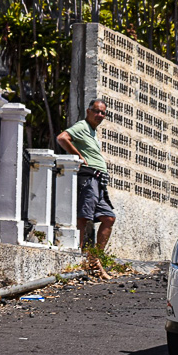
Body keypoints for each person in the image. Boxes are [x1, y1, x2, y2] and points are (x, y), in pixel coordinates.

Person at [56, 99, 115, 279]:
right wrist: (79, 156)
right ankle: (79, 258)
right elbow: (62, 138)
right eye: (96, 111)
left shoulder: (92, 131)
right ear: (88, 111)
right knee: (84, 217)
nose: (100, 115)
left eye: (103, 112)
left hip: (98, 179)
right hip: (89, 177)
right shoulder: (82, 126)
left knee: (108, 217)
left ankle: (94, 259)